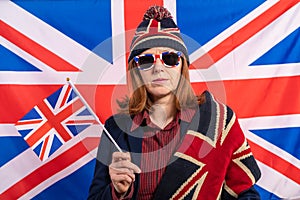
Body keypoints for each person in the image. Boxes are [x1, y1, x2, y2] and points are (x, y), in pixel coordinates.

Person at [88, 5, 261, 200]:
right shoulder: (116, 128)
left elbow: (246, 193)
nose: (158, 68)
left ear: (182, 67)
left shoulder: (217, 121)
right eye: (146, 60)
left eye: (170, 58)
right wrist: (118, 192)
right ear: (136, 70)